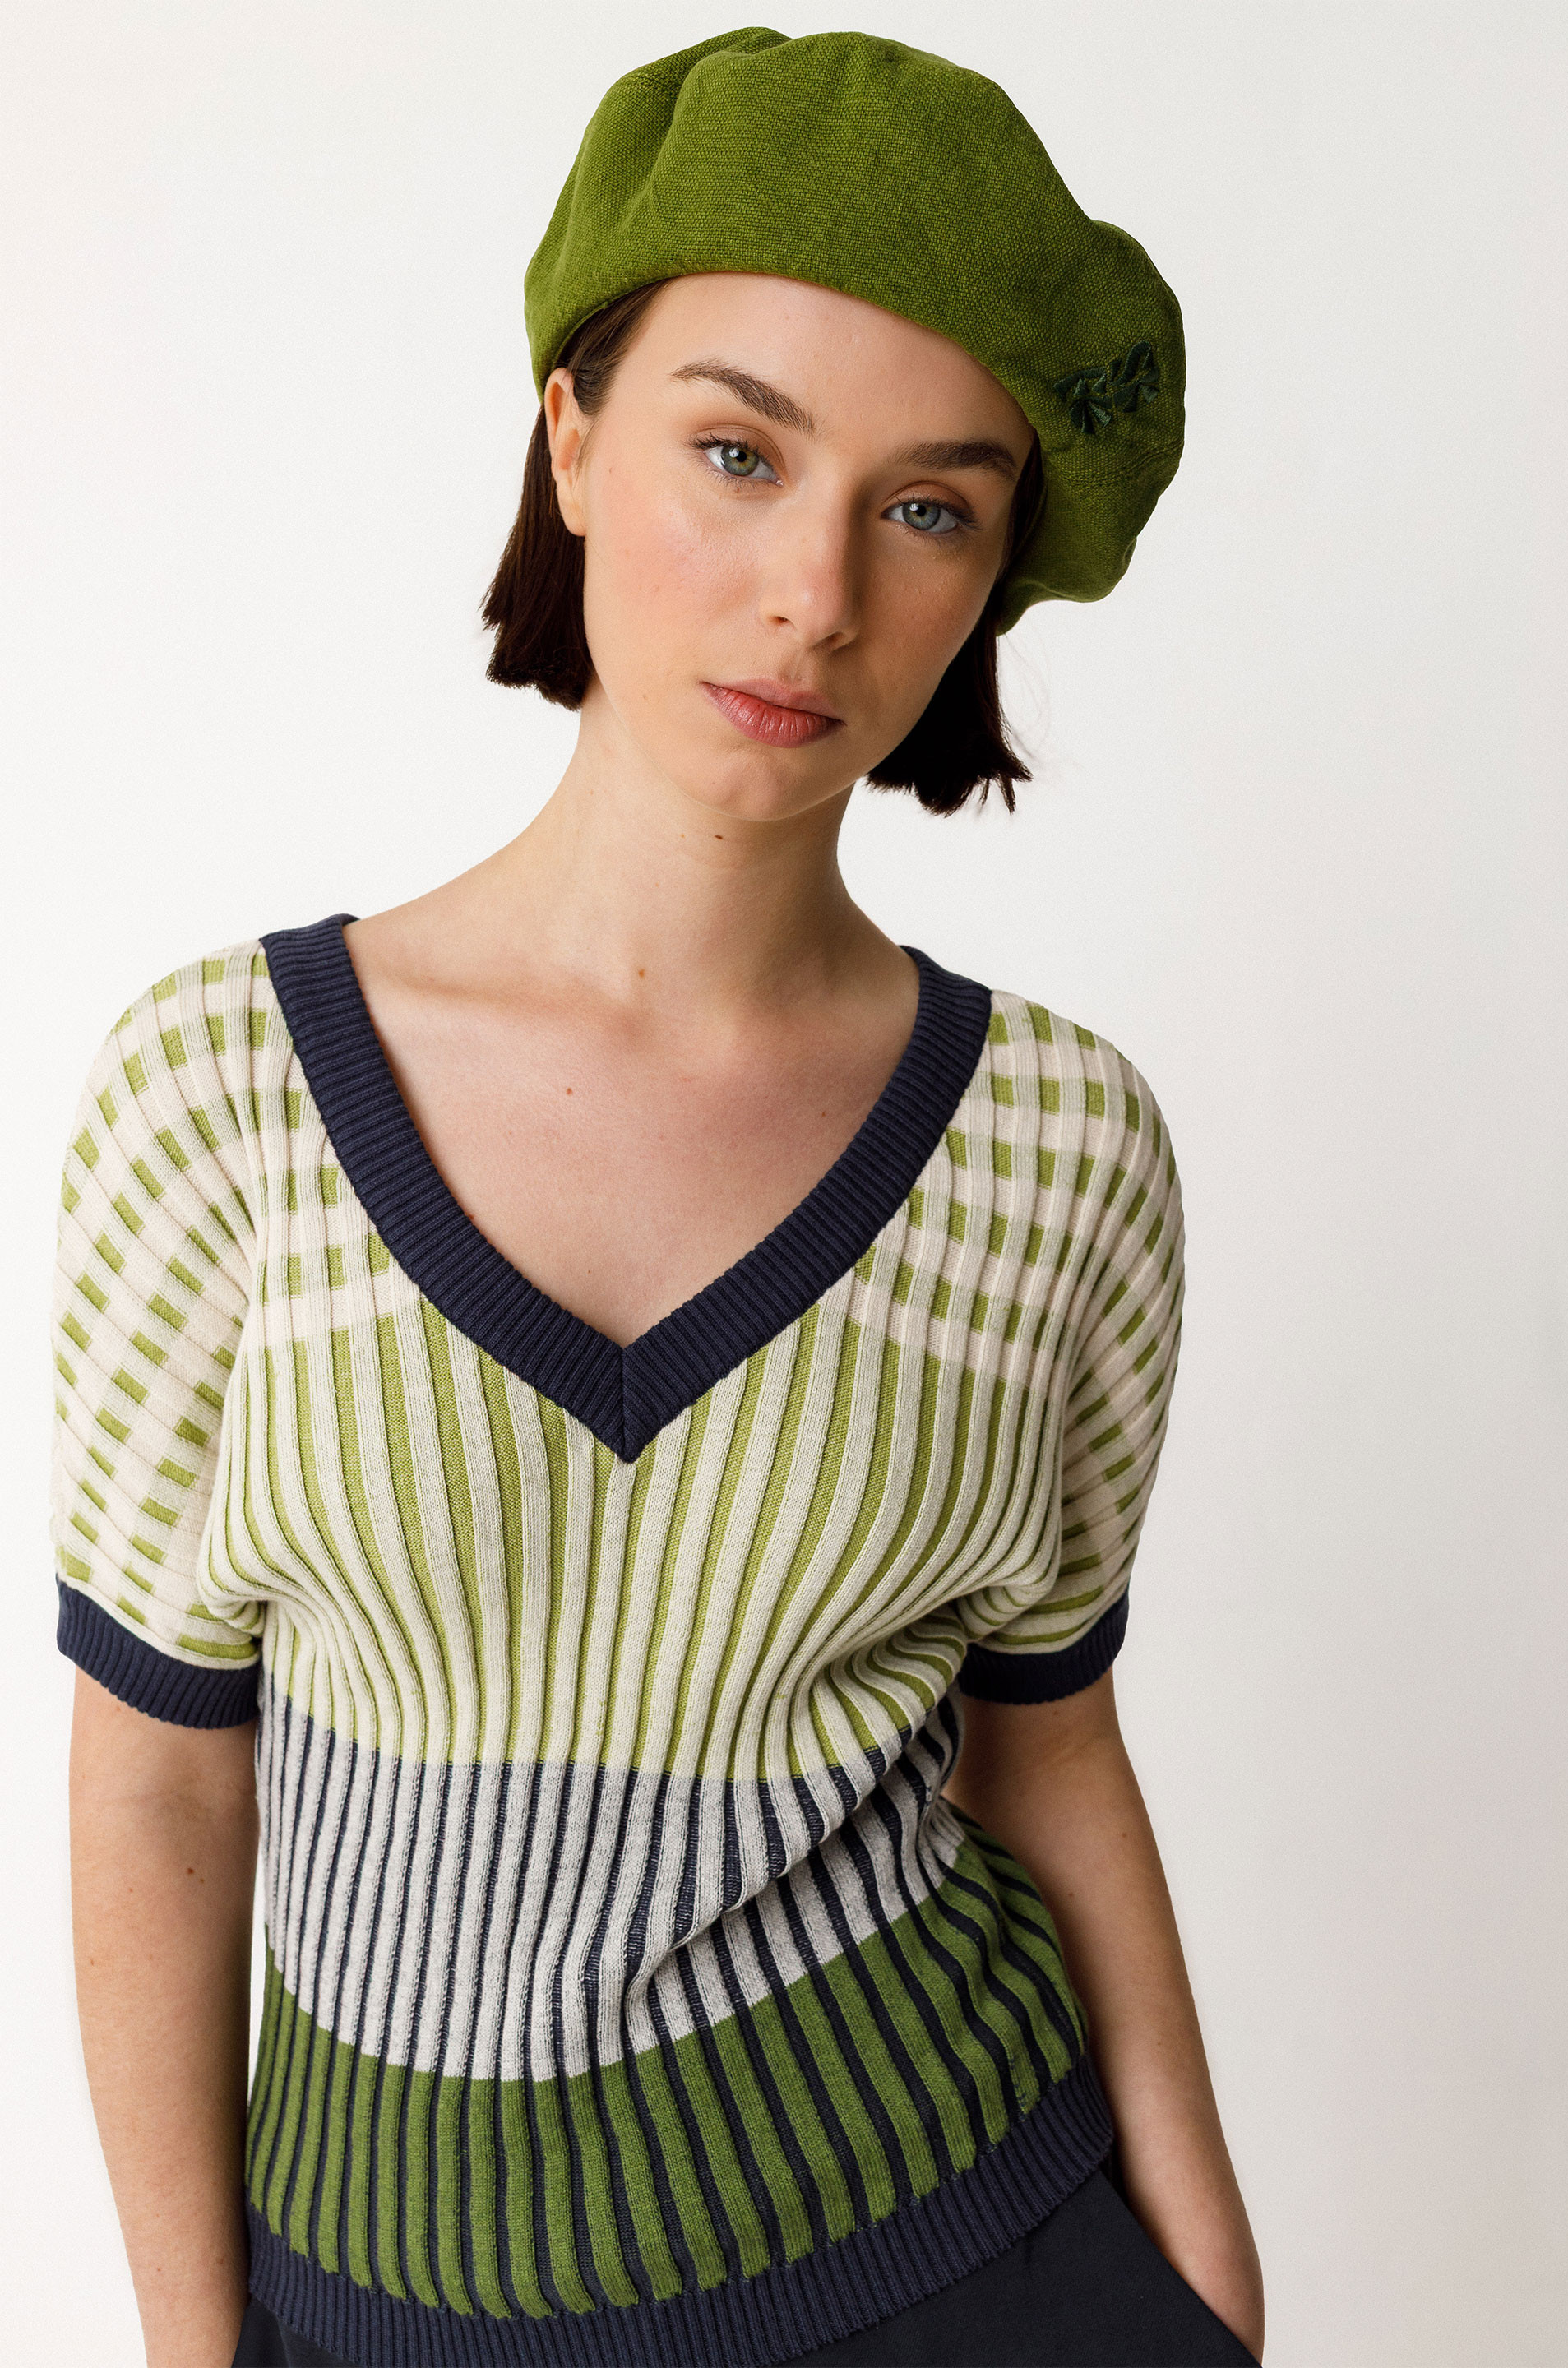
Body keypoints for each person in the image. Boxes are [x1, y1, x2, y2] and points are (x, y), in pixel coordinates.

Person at [55, 28, 1264, 2368]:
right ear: (573, 440)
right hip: (379, 2304)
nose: (814, 591)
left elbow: (1047, 1741)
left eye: (930, 508)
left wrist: (1205, 2264)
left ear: (990, 578)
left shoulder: (1058, 1149)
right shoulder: (221, 1100)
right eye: (739, 450)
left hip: (965, 2251)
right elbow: (156, 1783)